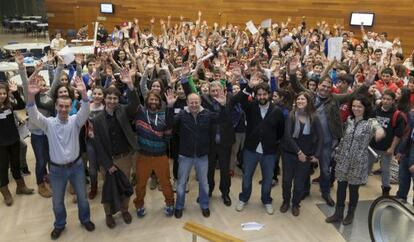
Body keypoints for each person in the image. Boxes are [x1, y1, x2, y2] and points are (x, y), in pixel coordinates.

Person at [26, 75, 95, 240]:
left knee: (83, 199)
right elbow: (33, 115)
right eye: (61, 106)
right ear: (56, 106)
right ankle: (59, 224)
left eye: (67, 106)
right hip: (56, 170)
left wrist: (84, 93)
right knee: (57, 202)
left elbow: (85, 110)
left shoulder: (75, 121)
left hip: (77, 167)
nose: (64, 109)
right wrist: (30, 95)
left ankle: (85, 219)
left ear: (70, 106)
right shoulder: (48, 123)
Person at [90, 68, 138, 228]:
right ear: (104, 99)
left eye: (114, 98)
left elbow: (135, 105)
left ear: (118, 99)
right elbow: (97, 144)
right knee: (109, 188)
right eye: (109, 98)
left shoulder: (123, 111)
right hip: (108, 160)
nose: (112, 101)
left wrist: (130, 85)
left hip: (124, 158)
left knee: (126, 186)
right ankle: (109, 214)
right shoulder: (97, 120)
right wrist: (107, 164)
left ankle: (124, 210)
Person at [231, 75, 285, 215]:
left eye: (264, 94)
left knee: (267, 178)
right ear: (255, 95)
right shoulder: (250, 107)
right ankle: (244, 198)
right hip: (251, 149)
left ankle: (266, 200)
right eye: (259, 94)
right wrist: (248, 87)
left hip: (269, 151)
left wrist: (272, 142)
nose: (261, 97)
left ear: (269, 95)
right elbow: (237, 100)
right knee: (247, 176)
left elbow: (280, 132)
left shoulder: (277, 112)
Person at [327, 96, 385, 225]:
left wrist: (380, 132)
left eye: (359, 106)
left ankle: (350, 214)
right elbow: (344, 138)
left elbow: (378, 128)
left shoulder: (370, 122)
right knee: (341, 187)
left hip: (358, 162)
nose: (356, 109)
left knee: (353, 190)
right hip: (343, 160)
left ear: (365, 108)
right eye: (354, 106)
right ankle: (338, 213)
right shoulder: (349, 120)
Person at [173, 89, 227, 219]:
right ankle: (179, 206)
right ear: (187, 103)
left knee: (204, 183)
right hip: (185, 155)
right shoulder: (181, 114)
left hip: (202, 156)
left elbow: (222, 119)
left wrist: (223, 106)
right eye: (191, 102)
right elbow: (169, 124)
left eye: (196, 102)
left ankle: (204, 205)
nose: (194, 105)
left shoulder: (207, 114)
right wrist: (170, 107)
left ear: (200, 102)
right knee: (181, 184)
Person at [133, 89, 175, 218]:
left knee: (166, 182)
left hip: (160, 156)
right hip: (143, 156)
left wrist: (170, 106)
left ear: (159, 102)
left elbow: (170, 127)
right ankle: (139, 205)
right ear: (147, 101)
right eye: (151, 99)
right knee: (140, 183)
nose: (153, 101)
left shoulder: (163, 115)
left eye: (156, 100)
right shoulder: (140, 113)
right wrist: (130, 85)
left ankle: (170, 203)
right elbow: (133, 100)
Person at [281, 92, 323, 216]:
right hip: (289, 153)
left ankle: (295, 204)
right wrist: (299, 152)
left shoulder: (314, 117)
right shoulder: (291, 115)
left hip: (306, 156)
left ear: (308, 101)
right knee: (287, 181)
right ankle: (286, 202)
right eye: (298, 99)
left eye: (302, 99)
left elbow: (321, 137)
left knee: (299, 184)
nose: (300, 101)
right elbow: (288, 137)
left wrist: (317, 155)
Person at [0, 81, 34, 206]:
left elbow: (21, 105)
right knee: (2, 168)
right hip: (1, 144)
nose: (2, 96)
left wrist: (15, 92)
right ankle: (6, 193)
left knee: (16, 164)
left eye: (4, 93)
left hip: (14, 140)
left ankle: (20, 187)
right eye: (0, 94)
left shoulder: (9, 105)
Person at [369, 90, 405, 195]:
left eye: (388, 99)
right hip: (372, 145)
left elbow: (398, 135)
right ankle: (362, 179)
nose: (385, 101)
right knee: (367, 164)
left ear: (393, 101)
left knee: (385, 169)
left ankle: (386, 188)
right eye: (384, 98)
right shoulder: (375, 111)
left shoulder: (397, 115)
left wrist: (392, 148)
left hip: (387, 148)